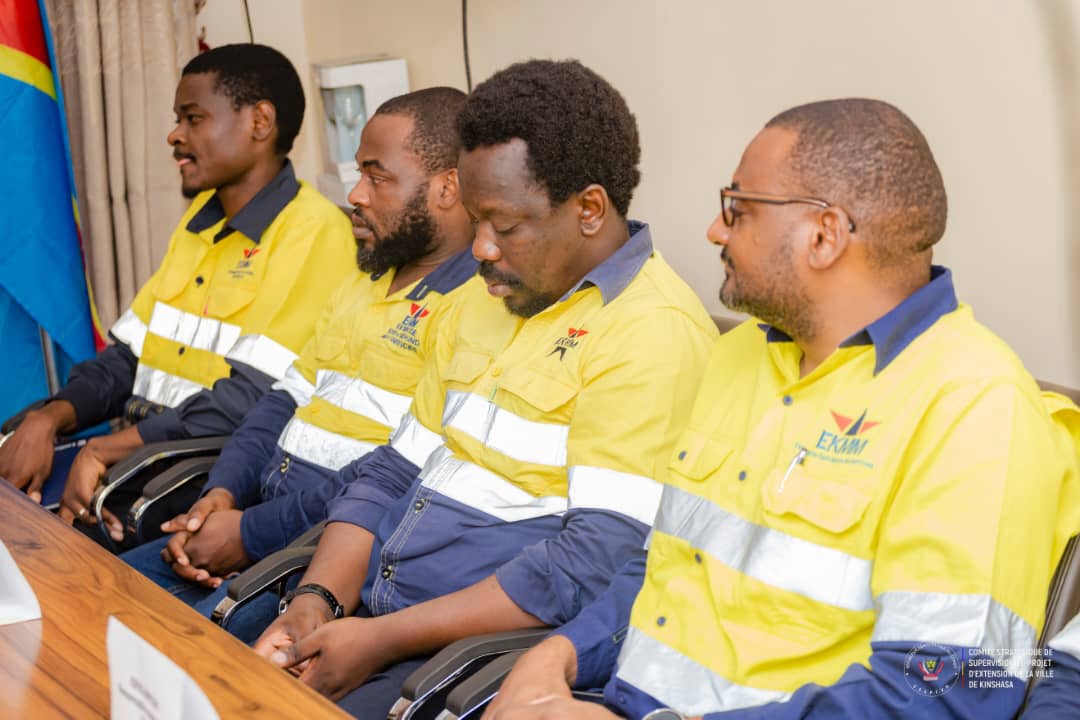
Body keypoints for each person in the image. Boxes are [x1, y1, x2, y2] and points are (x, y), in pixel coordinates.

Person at [484, 98, 1080, 720]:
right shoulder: (740, 354)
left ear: (824, 235)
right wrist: (559, 654)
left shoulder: (975, 407)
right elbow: (664, 565)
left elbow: (941, 691)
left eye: (737, 209)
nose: (715, 230)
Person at [250, 59, 717, 718]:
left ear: (589, 209)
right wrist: (316, 601)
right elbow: (390, 472)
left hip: (467, 659)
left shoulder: (653, 333)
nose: (481, 249)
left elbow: (589, 564)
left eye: (505, 225)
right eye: (475, 221)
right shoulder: (480, 299)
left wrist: (380, 639)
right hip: (373, 614)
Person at [119, 87, 478, 642]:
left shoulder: (475, 310)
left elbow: (398, 478)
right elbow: (280, 402)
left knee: (167, 654)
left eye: (377, 177)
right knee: (100, 599)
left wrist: (249, 533)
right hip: (256, 521)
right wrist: (220, 495)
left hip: (321, 559)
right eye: (358, 173)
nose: (355, 194)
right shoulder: (362, 282)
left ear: (447, 188)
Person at [0, 43, 355, 545]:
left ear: (260, 122)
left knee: (34, 546)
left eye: (193, 118)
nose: (175, 135)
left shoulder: (315, 232)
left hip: (199, 471)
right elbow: (126, 359)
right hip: (138, 447)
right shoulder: (199, 220)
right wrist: (48, 418)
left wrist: (107, 451)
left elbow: (250, 401)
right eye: (177, 120)